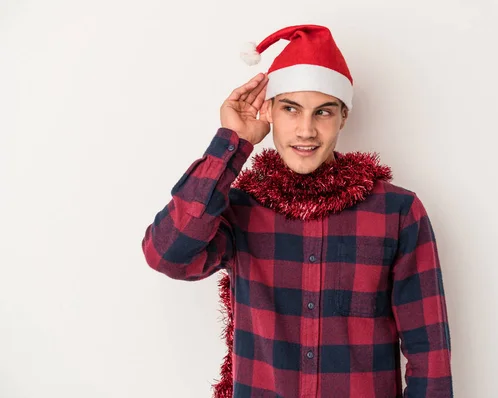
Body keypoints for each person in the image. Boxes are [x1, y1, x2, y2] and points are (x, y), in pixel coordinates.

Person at [141, 24, 453, 398]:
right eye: (291, 109)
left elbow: (429, 353)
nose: (306, 130)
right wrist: (232, 143)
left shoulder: (397, 212)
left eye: (323, 112)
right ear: (269, 109)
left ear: (343, 117)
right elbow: (167, 254)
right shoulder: (239, 208)